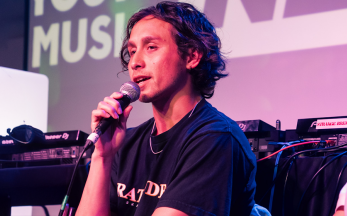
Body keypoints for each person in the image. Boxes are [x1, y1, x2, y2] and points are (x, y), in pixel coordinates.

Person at [76, 1, 256, 216]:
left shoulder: (215, 138)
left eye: (151, 47)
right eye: (132, 51)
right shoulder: (127, 143)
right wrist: (102, 157)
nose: (134, 62)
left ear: (192, 56)